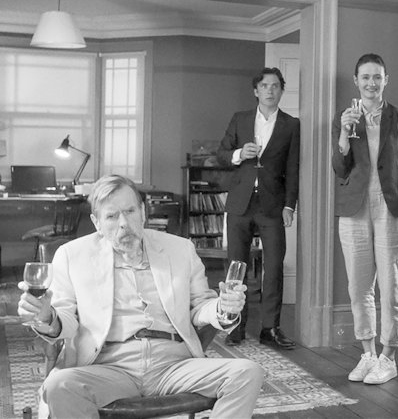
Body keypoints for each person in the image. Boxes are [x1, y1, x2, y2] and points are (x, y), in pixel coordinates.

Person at [17, 174, 264, 418]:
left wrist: (222, 308)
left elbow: (200, 305)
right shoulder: (72, 255)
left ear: (143, 213)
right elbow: (66, 320)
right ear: (96, 222)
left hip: (173, 364)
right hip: (108, 366)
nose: (124, 223)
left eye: (130, 211)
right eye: (112, 216)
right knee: (59, 385)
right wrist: (47, 316)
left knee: (247, 372)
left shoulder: (180, 249)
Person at [332, 53, 398, 385]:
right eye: (365, 77)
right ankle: (368, 354)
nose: (371, 83)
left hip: (392, 209)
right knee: (358, 288)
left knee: (391, 287)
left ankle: (389, 357)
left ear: (386, 80)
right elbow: (339, 169)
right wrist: (344, 133)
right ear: (356, 81)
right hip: (354, 211)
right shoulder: (344, 118)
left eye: (377, 77)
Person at [217, 67, 300, 349]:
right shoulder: (239, 119)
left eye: (275, 86)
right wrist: (240, 154)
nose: (270, 90)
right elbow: (221, 155)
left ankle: (270, 328)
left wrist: (289, 205)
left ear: (281, 90)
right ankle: (235, 325)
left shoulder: (291, 125)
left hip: (272, 206)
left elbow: (293, 168)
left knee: (274, 267)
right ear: (256, 90)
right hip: (240, 203)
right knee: (235, 267)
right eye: (264, 86)